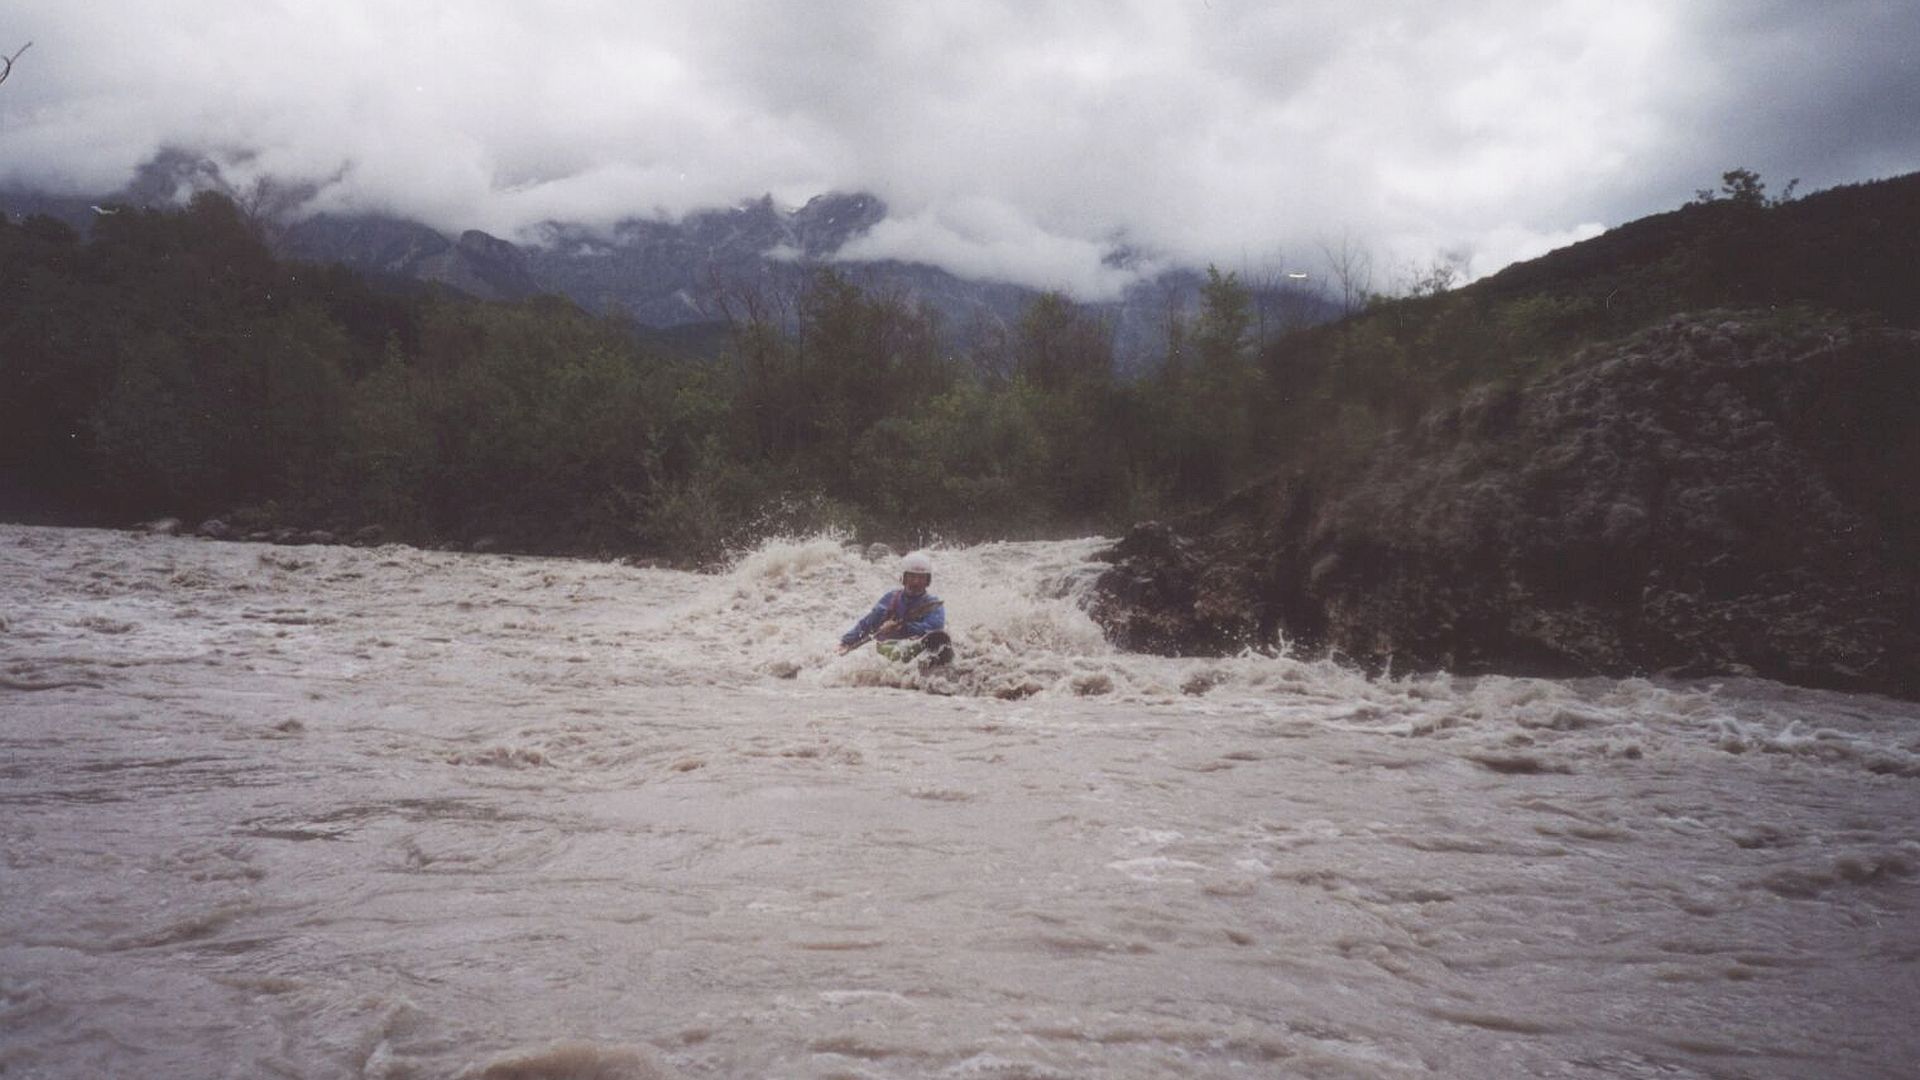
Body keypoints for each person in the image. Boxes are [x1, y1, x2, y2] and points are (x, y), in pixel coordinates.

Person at [839, 550, 952, 664]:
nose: (916, 582)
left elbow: (934, 626)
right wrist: (846, 642)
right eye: (912, 576)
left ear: (927, 580)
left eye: (921, 577)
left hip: (919, 645)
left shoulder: (932, 603)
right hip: (890, 646)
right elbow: (867, 623)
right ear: (904, 578)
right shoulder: (891, 598)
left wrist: (902, 628)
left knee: (939, 640)